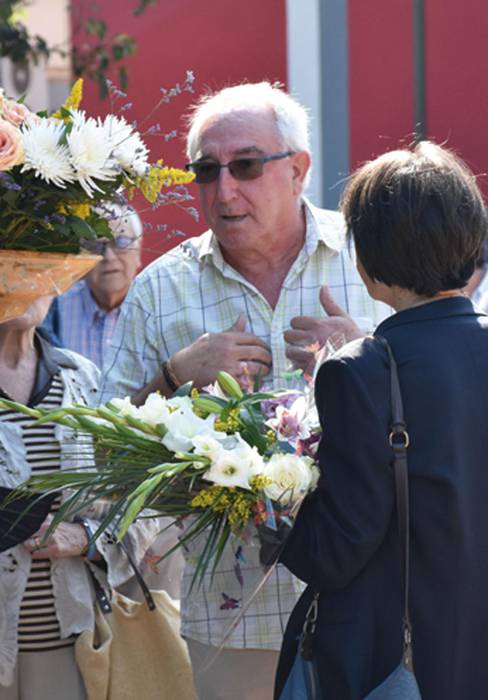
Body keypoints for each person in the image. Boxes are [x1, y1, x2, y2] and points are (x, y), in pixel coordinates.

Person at [100, 81, 387, 700]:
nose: (224, 190)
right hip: (233, 622)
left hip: (373, 606)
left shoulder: (374, 260)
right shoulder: (160, 290)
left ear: (299, 170)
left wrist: (368, 357)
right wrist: (174, 378)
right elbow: (103, 453)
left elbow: (451, 397)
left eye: (247, 166)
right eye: (206, 170)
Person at [275, 142, 488, 700]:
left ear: (366, 259)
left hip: (395, 660)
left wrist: (268, 507)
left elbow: (336, 552)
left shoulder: (359, 372)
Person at [0, 296, 159, 700]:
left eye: (36, 265)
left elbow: (145, 506)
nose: (21, 282)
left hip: (72, 652)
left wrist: (88, 537)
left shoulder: (84, 381)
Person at [41, 204, 143, 368]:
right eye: (94, 246)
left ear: (138, 251)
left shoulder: (154, 310)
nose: (108, 256)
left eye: (120, 242)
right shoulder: (52, 309)